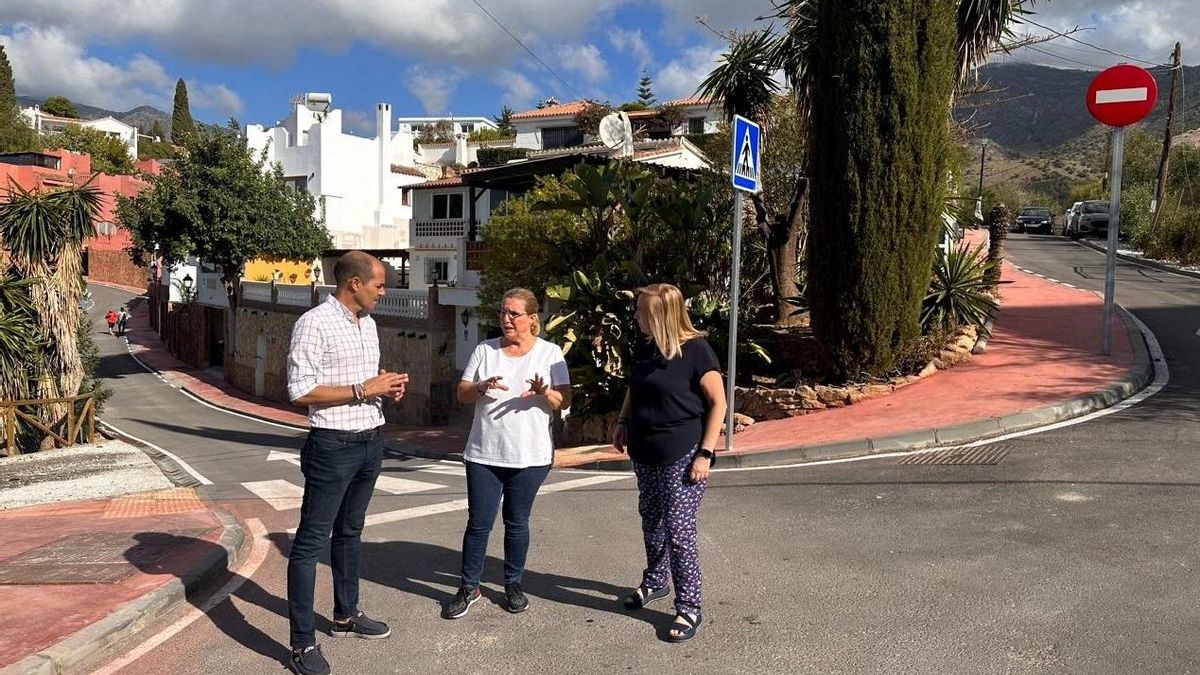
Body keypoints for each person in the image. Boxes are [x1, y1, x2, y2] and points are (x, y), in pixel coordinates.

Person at [284, 251, 409, 675]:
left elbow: (364, 384)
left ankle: (346, 614)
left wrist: (384, 388)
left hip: (371, 439)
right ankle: (302, 643)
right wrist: (361, 388)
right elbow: (300, 391)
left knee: (351, 532)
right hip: (332, 445)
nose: (384, 291)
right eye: (379, 284)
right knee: (309, 544)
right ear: (354, 283)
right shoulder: (314, 323)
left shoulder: (369, 324)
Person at [442, 288, 571, 620]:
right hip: (484, 454)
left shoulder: (550, 353)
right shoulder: (485, 350)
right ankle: (469, 587)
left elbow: (564, 401)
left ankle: (513, 584)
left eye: (514, 313)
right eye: (503, 312)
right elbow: (463, 393)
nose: (506, 319)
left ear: (532, 318)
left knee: (517, 523)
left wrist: (545, 392)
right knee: (478, 524)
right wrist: (481, 386)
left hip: (530, 456)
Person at [611, 283, 726, 643]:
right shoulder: (644, 347)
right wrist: (622, 421)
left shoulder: (696, 351)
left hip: (683, 454)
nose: (635, 316)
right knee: (651, 521)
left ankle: (689, 606)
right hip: (644, 451)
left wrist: (705, 453)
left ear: (660, 315)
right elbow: (635, 387)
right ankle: (656, 580)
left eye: (641, 311)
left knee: (679, 534)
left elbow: (719, 404)